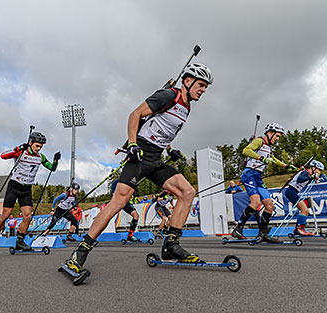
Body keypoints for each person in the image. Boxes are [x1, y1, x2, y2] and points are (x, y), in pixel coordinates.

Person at [63, 63, 214, 274]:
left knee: (187, 192)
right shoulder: (169, 95)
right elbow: (135, 115)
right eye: (201, 85)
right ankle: (79, 253)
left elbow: (160, 127)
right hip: (140, 153)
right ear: (187, 81)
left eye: (206, 87)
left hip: (156, 158)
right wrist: (132, 144)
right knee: (119, 202)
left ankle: (171, 245)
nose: (203, 90)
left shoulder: (187, 107)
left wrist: (170, 150)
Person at [0, 132, 60, 252]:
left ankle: (20, 241)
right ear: (30, 143)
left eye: (41, 147)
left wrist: (56, 160)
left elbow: (52, 168)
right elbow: (3, 156)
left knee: (27, 216)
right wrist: (17, 148)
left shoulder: (40, 157)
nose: (39, 149)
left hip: (26, 189)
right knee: (6, 214)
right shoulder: (21, 152)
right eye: (37, 146)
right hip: (14, 186)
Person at [231, 123, 297, 243]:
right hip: (249, 174)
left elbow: (273, 159)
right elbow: (246, 150)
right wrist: (261, 158)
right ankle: (238, 228)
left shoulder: (268, 147)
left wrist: (286, 166)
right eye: (276, 136)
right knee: (255, 202)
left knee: (270, 206)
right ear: (270, 133)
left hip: (258, 177)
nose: (277, 139)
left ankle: (263, 233)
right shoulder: (259, 141)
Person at [285, 160, 324, 236]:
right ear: (313, 168)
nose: (319, 172)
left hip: (293, 192)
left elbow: (307, 181)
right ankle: (299, 229)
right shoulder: (306, 172)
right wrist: (311, 177)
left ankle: (300, 228)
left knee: (305, 210)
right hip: (291, 191)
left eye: (320, 171)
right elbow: (300, 180)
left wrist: (314, 179)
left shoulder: (308, 174)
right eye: (318, 169)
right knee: (304, 209)